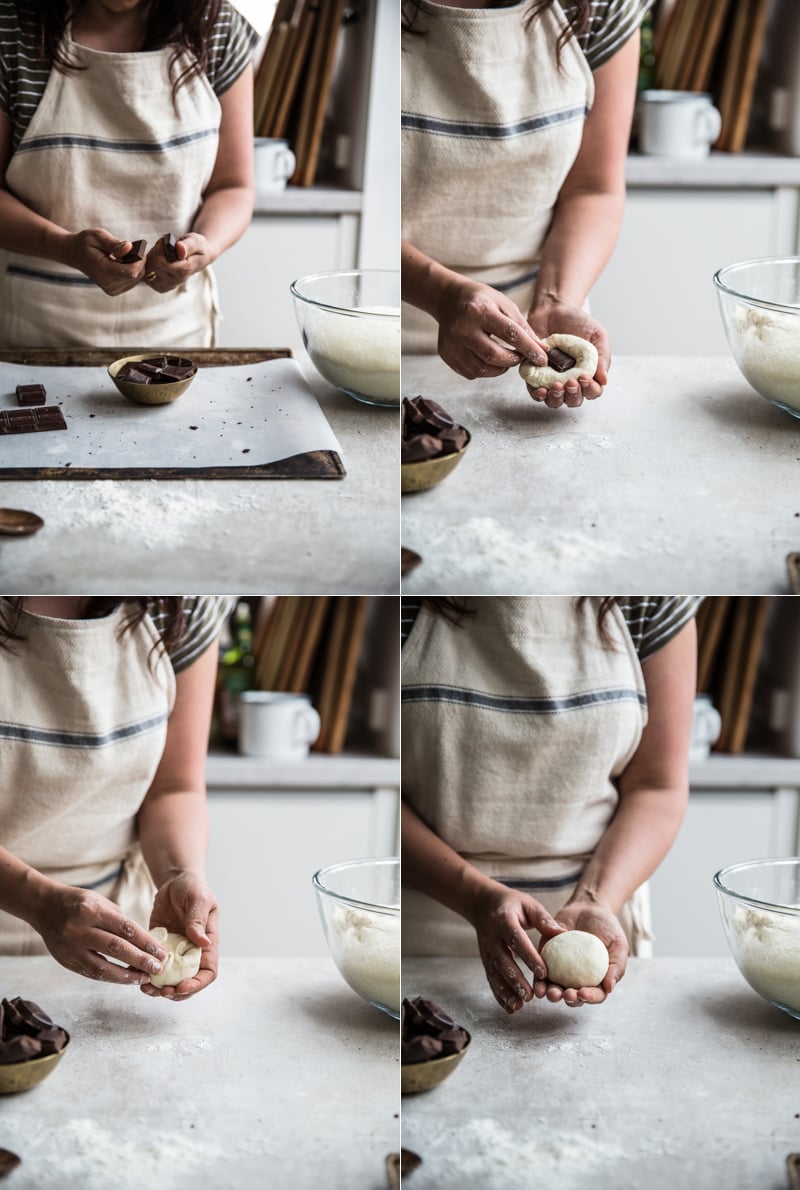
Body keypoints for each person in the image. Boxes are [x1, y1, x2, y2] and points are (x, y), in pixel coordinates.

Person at [401, 596, 699, 1011]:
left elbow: (657, 785)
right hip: (428, 932)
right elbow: (386, 799)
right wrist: (475, 898)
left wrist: (596, 899)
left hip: (601, 917)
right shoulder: (405, 591)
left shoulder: (649, 596)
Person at [401, 0, 652, 408]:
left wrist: (558, 300)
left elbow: (592, 189)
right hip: (389, 335)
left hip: (535, 322)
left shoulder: (600, 7)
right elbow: (366, 202)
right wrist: (441, 296)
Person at [0, 596, 231, 1001]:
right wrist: (39, 903)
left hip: (115, 940)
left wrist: (179, 873)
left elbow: (173, 786)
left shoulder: (179, 598)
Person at [0, 0, 257, 348]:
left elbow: (234, 186)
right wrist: (64, 248)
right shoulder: (10, 28)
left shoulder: (217, 27)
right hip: (34, 334)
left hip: (176, 333)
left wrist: (206, 245)